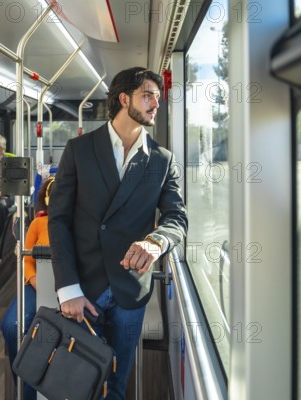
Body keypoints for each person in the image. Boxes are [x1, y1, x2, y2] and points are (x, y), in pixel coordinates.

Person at [48, 67, 188, 399]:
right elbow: (59, 221)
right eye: (148, 95)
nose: (156, 103)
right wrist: (67, 288)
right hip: (83, 287)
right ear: (124, 99)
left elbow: (177, 218)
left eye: (158, 96)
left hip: (131, 291)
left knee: (117, 381)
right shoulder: (79, 149)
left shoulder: (162, 160)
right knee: (77, 381)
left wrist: (157, 241)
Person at [1, 176, 54, 400]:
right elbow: (26, 258)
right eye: (54, 193)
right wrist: (33, 280)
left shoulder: (82, 224)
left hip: (67, 287)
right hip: (36, 283)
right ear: (47, 198)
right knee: (12, 327)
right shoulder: (38, 223)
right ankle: (26, 392)